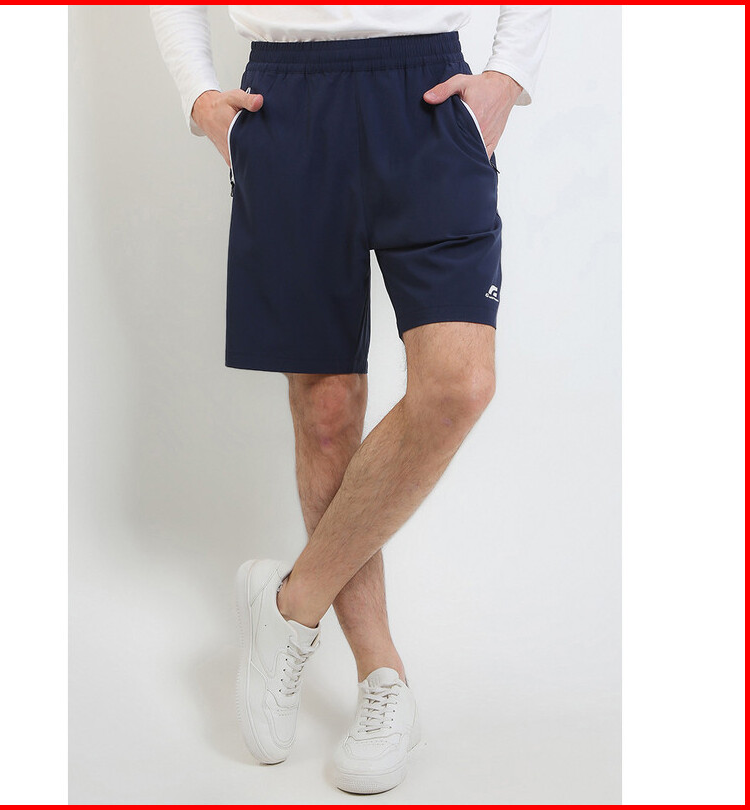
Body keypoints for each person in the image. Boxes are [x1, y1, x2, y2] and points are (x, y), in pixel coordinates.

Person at [150, 5, 550, 794]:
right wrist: (198, 96)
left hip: (430, 96)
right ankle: (382, 678)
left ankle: (289, 606)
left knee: (459, 385)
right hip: (287, 100)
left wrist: (508, 74)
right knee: (327, 412)